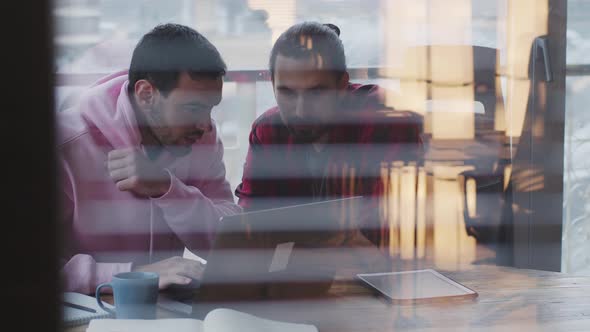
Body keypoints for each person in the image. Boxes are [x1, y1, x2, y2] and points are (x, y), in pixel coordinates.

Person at [59, 23, 242, 294]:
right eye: (193, 108)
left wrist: (166, 188)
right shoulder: (67, 143)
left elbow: (227, 241)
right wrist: (135, 275)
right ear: (146, 94)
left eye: (210, 109)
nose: (206, 125)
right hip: (94, 311)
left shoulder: (202, 137)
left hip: (169, 310)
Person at [235, 22, 423, 246]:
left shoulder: (384, 119)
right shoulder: (268, 130)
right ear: (272, 83)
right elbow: (251, 227)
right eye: (287, 93)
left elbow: (388, 237)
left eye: (316, 93)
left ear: (342, 85)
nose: (301, 111)